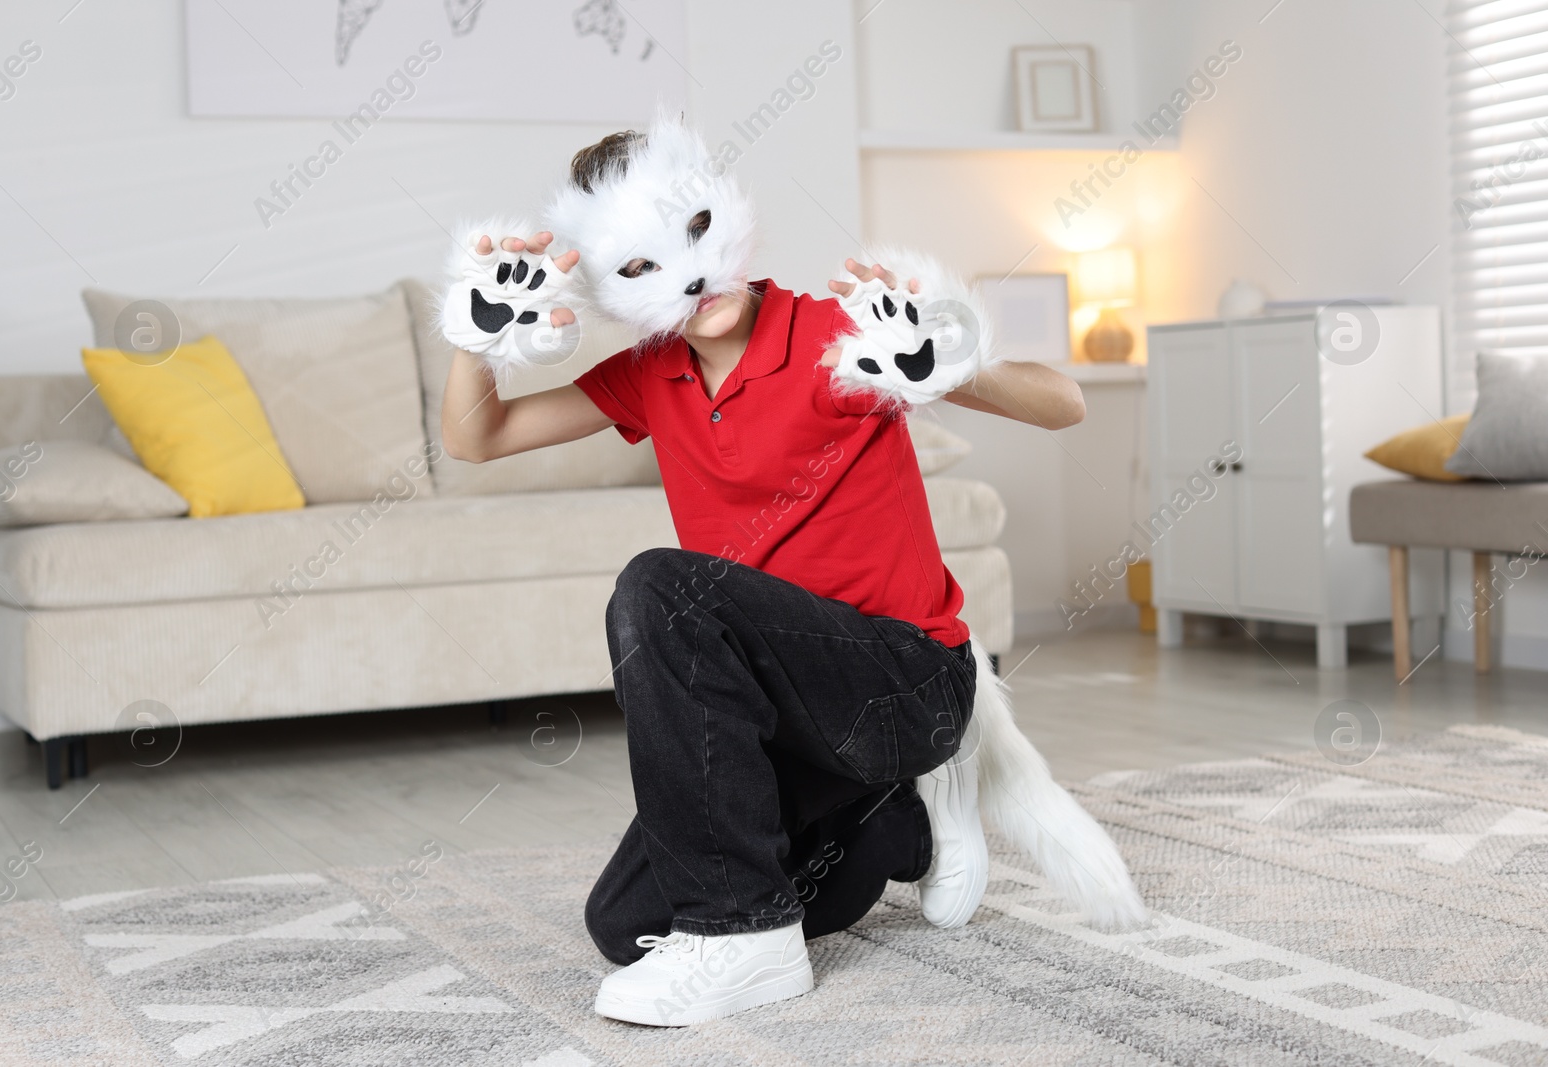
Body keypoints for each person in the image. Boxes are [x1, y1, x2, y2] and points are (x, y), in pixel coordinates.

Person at [438, 118, 1143, 1028]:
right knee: (624, 922)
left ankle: (747, 935)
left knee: (661, 585)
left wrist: (949, 359)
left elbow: (1065, 402)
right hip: (796, 717)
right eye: (643, 268)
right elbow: (475, 437)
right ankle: (901, 822)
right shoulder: (653, 374)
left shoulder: (836, 331)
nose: (687, 281)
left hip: (906, 679)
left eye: (692, 237)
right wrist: (476, 328)